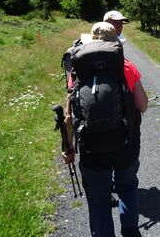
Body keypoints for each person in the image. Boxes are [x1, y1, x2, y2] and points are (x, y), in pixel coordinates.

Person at [62, 21, 148, 237]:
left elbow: (69, 116)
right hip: (126, 143)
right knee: (127, 187)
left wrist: (68, 147)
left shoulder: (78, 69)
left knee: (99, 201)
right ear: (116, 42)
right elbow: (143, 105)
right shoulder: (126, 66)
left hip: (92, 147)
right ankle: (130, 231)